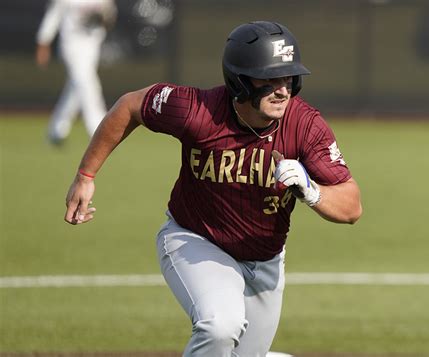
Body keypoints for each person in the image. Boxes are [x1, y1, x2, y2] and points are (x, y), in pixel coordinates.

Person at [64, 21, 362, 356]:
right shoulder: (197, 110)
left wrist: (311, 190)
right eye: (269, 79)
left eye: (289, 78)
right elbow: (131, 106)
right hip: (196, 239)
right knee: (219, 326)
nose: (283, 90)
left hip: (265, 259)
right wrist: (85, 176)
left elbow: (351, 206)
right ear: (239, 80)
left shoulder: (305, 125)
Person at [35, 0, 117, 145]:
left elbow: (109, 15)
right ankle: (99, 130)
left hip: (92, 46)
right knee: (87, 84)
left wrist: (105, 18)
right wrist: (43, 41)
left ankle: (56, 130)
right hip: (71, 45)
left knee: (76, 87)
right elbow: (53, 15)